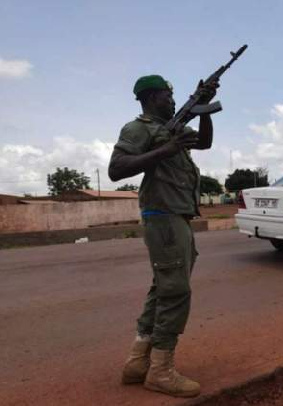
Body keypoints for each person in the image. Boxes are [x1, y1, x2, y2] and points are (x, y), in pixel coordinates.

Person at [108, 74, 218, 398]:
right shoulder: (137, 128)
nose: (172, 100)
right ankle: (161, 370)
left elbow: (205, 143)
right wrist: (166, 149)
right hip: (163, 215)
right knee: (176, 291)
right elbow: (117, 169)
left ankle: (138, 361)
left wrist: (204, 108)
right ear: (153, 97)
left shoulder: (173, 127)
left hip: (177, 214)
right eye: (168, 96)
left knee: (163, 287)